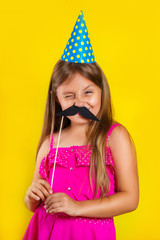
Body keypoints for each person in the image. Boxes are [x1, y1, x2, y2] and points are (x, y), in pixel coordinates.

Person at [23, 10, 139, 240]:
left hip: (91, 234)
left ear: (101, 91)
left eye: (88, 92)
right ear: (56, 98)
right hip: (47, 233)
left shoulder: (114, 137)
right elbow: (34, 203)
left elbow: (130, 199)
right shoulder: (50, 143)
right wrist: (30, 197)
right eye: (69, 96)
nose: (79, 103)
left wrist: (76, 207)